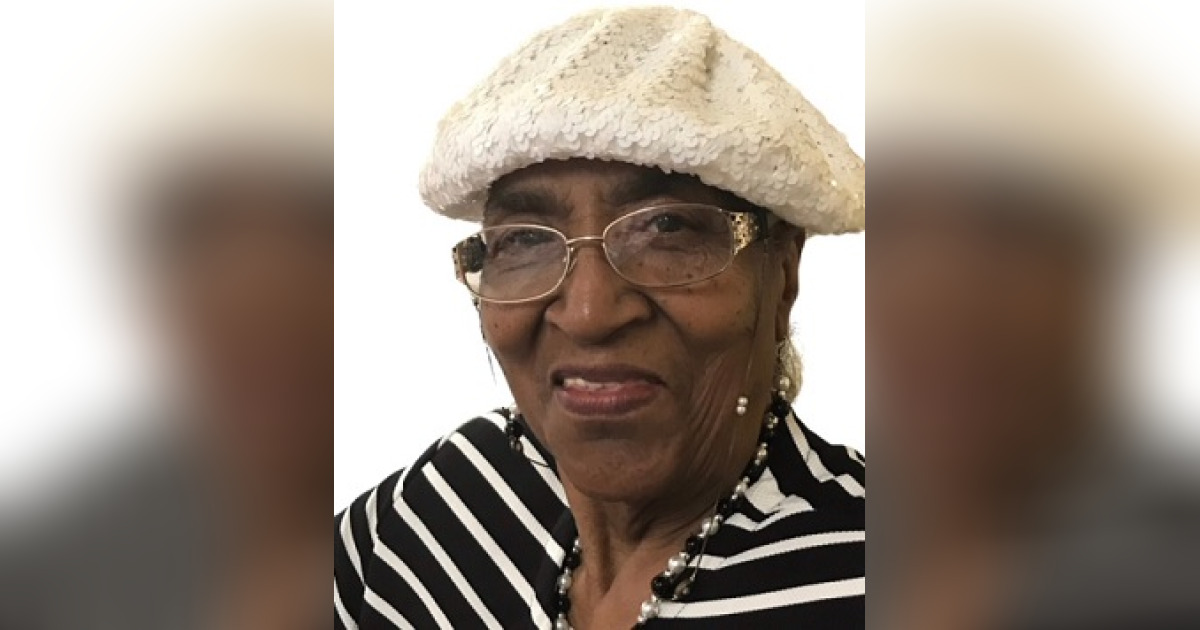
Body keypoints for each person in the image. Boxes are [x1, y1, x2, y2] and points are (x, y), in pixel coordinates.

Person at [335, 7, 864, 629]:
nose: (588, 314)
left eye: (666, 228)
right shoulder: (452, 500)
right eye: (525, 239)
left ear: (783, 277)